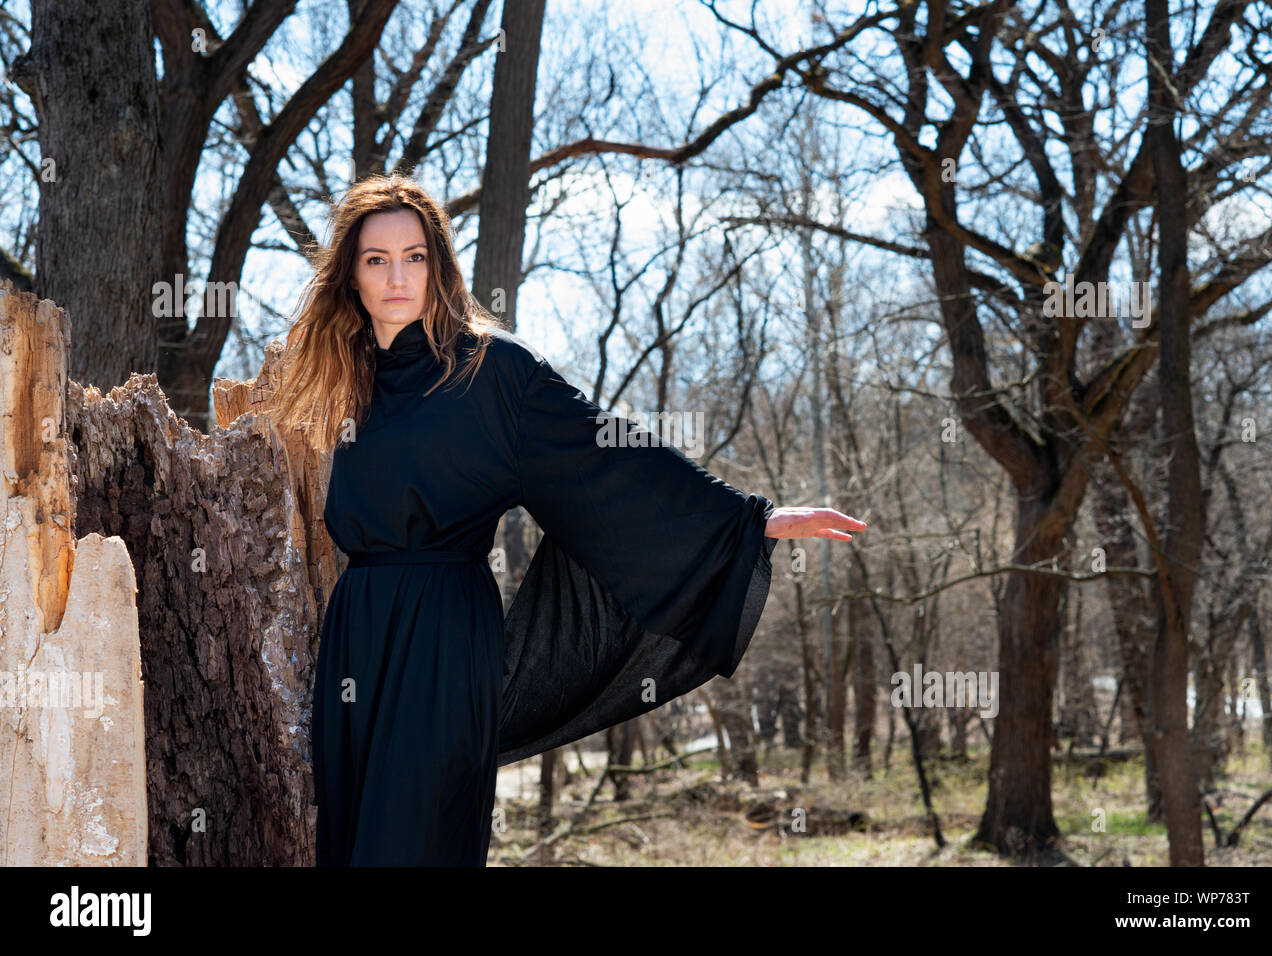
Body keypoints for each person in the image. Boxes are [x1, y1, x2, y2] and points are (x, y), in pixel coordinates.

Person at [266, 172, 866, 866]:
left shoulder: (492, 374)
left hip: (442, 641)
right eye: (376, 259)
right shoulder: (344, 379)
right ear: (351, 276)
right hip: (357, 635)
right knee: (348, 844)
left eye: (415, 256)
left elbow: (607, 456)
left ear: (438, 266)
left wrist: (752, 520)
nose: (397, 276)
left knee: (409, 844)